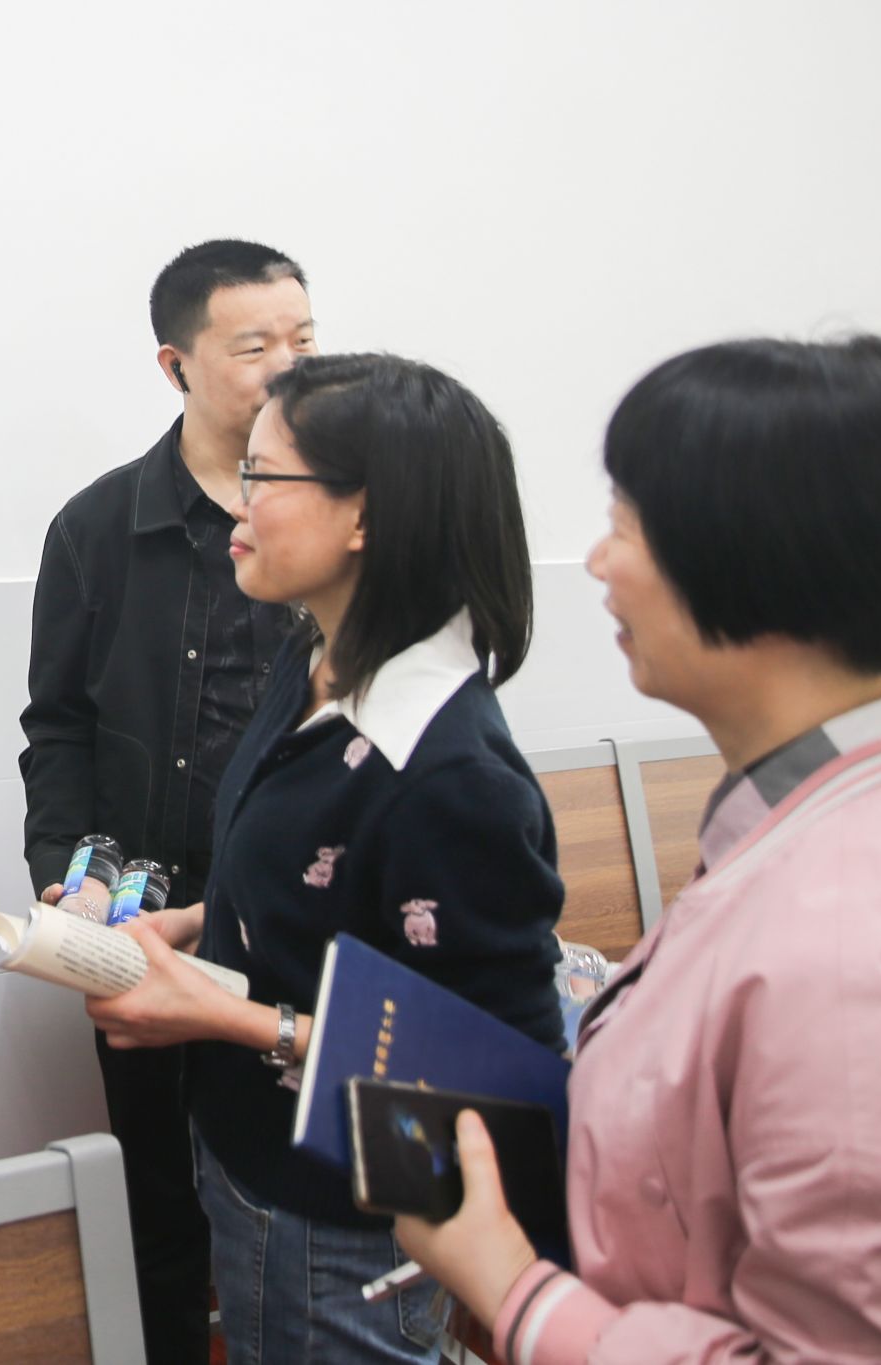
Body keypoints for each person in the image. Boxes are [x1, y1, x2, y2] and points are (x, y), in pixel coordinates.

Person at [397, 336, 881, 1364]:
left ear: (758, 559)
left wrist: (516, 1294)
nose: (597, 563)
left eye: (624, 524)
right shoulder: (858, 804)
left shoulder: (866, 954)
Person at [88, 353, 567, 1363]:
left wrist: (223, 1015)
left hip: (346, 1218)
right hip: (253, 1160)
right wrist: (195, 922)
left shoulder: (450, 773)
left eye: (262, 478)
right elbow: (311, 879)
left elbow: (492, 1077)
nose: (236, 506)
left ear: (364, 517)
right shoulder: (311, 657)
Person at [19, 239, 315, 1362]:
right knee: (156, 1213)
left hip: (288, 928)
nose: (288, 366)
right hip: (140, 930)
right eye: (255, 345)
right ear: (175, 364)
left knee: (291, 1212)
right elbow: (58, 726)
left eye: (304, 340)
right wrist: (66, 883)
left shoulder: (336, 520)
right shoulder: (97, 527)